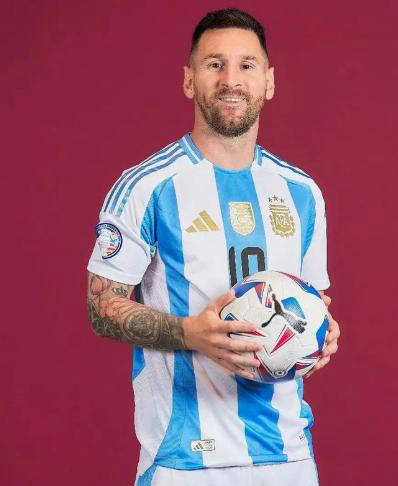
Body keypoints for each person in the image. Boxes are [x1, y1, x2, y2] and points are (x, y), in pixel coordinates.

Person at [87, 8, 340, 486]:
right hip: (184, 461)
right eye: (214, 64)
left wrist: (322, 335)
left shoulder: (302, 192)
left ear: (269, 81)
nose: (231, 80)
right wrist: (190, 333)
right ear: (189, 80)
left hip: (288, 457)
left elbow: (312, 301)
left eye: (246, 65)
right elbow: (100, 307)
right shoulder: (147, 186)